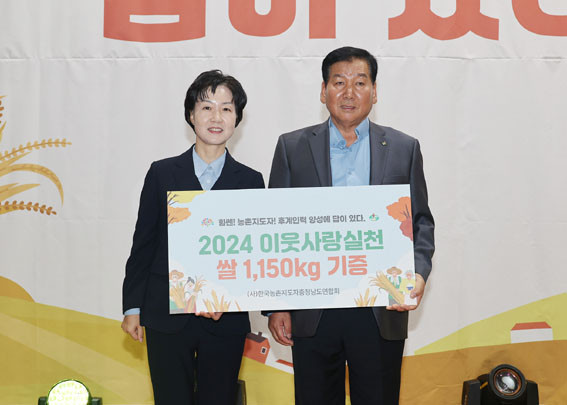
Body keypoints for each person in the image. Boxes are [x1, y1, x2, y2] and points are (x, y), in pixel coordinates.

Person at [267, 46, 435, 405]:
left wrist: (418, 274)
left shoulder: (403, 148)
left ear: (374, 92)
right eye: (338, 82)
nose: (349, 93)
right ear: (323, 91)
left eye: (360, 83)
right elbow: (275, 228)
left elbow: (420, 222)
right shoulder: (292, 147)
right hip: (313, 309)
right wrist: (278, 304)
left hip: (379, 309)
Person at [121, 70, 265, 405]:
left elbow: (253, 256)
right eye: (206, 108)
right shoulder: (161, 173)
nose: (216, 117)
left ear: (237, 119)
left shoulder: (250, 181)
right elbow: (143, 244)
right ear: (191, 115)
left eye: (226, 109)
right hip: (166, 315)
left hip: (225, 320)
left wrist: (225, 296)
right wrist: (133, 306)